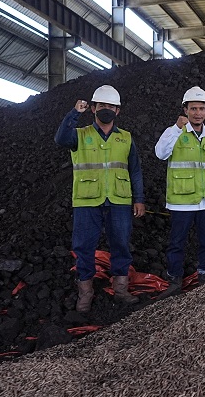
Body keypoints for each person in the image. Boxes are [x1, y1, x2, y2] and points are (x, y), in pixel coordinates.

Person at [55, 85, 146, 312]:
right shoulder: (80, 134)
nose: (106, 109)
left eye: (111, 106)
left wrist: (139, 198)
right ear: (93, 108)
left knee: (120, 244)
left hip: (119, 200)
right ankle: (85, 292)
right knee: (84, 246)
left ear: (118, 111)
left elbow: (134, 170)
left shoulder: (125, 138)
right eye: (102, 106)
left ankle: (121, 288)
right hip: (87, 201)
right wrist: (74, 113)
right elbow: (60, 138)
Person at [154, 86, 205, 299]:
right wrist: (177, 129)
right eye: (193, 108)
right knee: (177, 242)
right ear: (185, 110)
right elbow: (160, 153)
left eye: (201, 108)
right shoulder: (174, 132)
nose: (198, 113)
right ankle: (174, 279)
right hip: (181, 201)